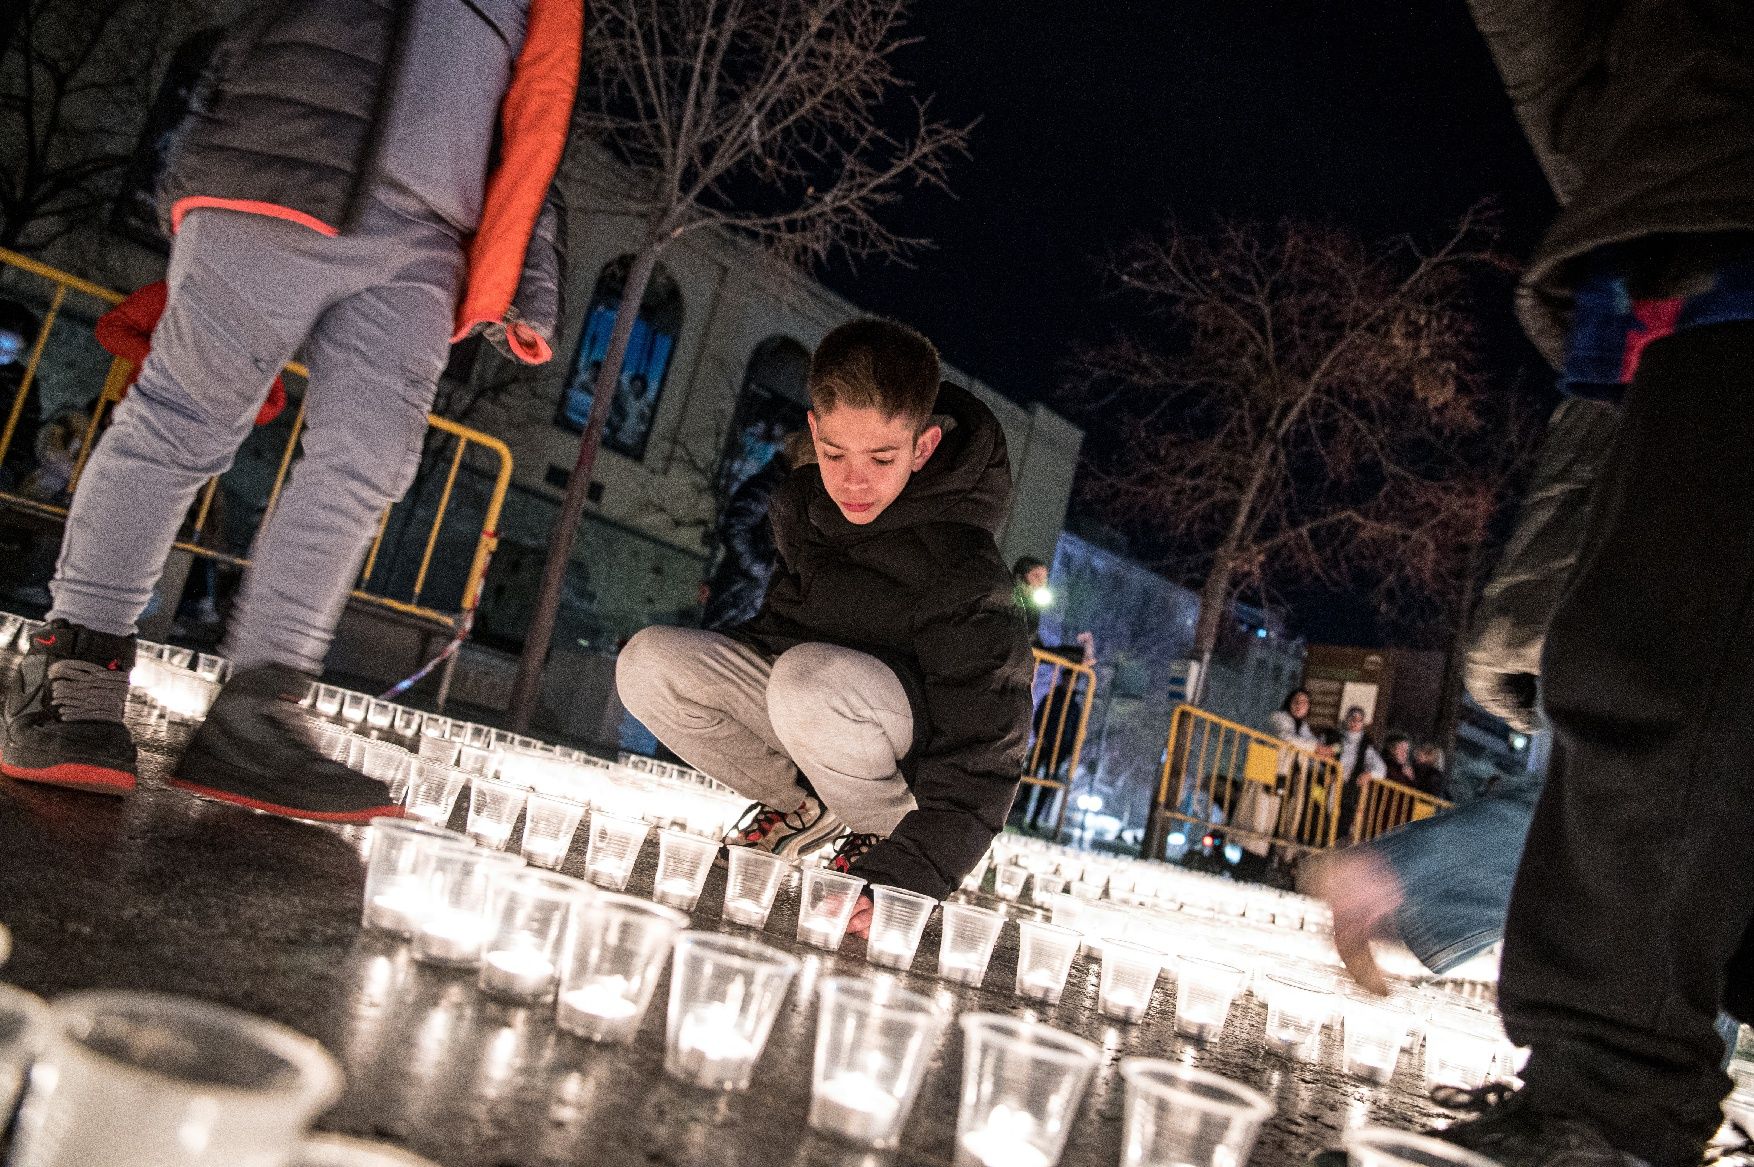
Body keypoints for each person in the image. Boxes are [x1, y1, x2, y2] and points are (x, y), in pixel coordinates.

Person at [1309, 3, 1754, 1165]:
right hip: (1698, 242)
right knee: (1649, 713)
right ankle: (1602, 1093)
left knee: (1653, 729)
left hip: (1682, 229)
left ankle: (1602, 1083)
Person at [0, 0, 581, 821]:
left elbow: (534, 104)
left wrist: (526, 266)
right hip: (287, 154)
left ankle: (257, 711)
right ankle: (76, 660)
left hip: (432, 237)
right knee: (186, 417)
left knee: (371, 460)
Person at [616, 318, 1033, 928]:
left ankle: (876, 832)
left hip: (903, 768)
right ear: (814, 431)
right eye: (835, 453)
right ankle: (802, 808)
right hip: (821, 708)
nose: (853, 480)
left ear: (924, 448)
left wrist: (908, 875)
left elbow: (986, 754)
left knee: (805, 681)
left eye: (881, 457)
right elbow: (776, 639)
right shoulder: (814, 514)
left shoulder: (967, 570)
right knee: (648, 662)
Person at [1010, 555, 1095, 831]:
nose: (1043, 583)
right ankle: (1015, 811)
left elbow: (1038, 647)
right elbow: (1031, 645)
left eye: (1046, 578)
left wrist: (1076, 653)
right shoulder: (1015, 600)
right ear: (1024, 576)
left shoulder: (1029, 606)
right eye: (1039, 577)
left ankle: (1023, 814)